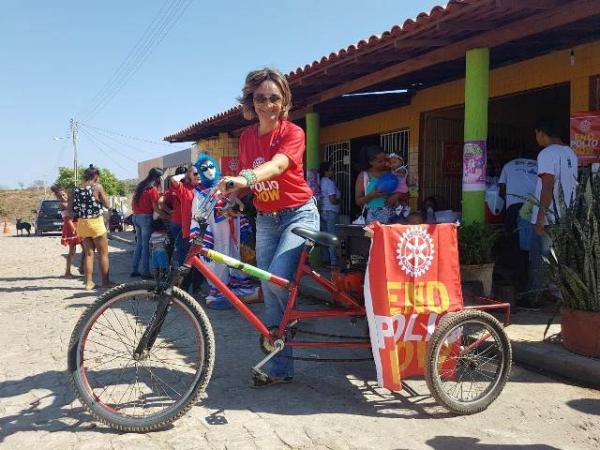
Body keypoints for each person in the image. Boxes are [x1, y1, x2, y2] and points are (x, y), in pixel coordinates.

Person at [216, 67, 319, 387]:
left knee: (275, 281)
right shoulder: (247, 137)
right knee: (272, 291)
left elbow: (275, 166)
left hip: (298, 215)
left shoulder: (293, 133)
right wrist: (235, 197)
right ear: (252, 101)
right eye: (260, 98)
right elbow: (250, 178)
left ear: (284, 100)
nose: (267, 104)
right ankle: (280, 367)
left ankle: (294, 316)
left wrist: (244, 178)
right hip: (266, 220)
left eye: (274, 98)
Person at [190, 154, 256, 309]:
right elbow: (198, 216)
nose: (209, 171)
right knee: (217, 263)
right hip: (215, 234)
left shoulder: (225, 186)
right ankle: (219, 294)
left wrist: (235, 207)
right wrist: (204, 235)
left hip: (232, 232)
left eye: (211, 166)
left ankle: (238, 291)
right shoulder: (199, 194)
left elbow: (238, 206)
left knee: (235, 258)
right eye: (204, 168)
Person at [527, 117, 578, 307]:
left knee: (542, 259)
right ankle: (560, 296)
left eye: (536, 134)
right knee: (560, 258)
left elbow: (547, 185)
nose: (536, 138)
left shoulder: (547, 153)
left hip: (549, 217)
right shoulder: (570, 153)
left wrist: (540, 217)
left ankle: (539, 297)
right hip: (566, 217)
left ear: (542, 132)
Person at [498, 154, 538, 296]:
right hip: (534, 207)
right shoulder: (538, 163)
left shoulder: (508, 164)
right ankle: (529, 285)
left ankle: (517, 284)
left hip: (514, 208)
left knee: (513, 246)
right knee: (532, 247)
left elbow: (502, 190)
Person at [68, 164, 112, 290]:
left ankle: (89, 283)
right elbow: (107, 204)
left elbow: (70, 209)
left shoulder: (75, 189)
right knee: (103, 254)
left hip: (82, 223)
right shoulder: (97, 187)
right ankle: (106, 282)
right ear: (96, 176)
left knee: (88, 254)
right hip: (96, 222)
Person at [131, 167, 163, 279]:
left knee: (139, 244)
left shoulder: (141, 186)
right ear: (158, 177)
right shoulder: (152, 189)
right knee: (146, 247)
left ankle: (134, 269)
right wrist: (168, 214)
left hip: (136, 217)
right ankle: (145, 272)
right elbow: (157, 208)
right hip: (145, 218)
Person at [355, 146, 395, 225]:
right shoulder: (364, 176)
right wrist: (372, 195)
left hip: (390, 214)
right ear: (371, 162)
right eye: (380, 161)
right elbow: (358, 201)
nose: (383, 163)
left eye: (385, 160)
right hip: (372, 217)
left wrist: (394, 196)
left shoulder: (389, 173)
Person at [51, 185, 82, 277]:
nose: (63, 197)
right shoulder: (63, 205)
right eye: (60, 196)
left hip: (77, 225)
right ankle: (68, 272)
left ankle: (81, 267)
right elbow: (68, 219)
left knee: (84, 248)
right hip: (71, 227)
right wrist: (74, 229)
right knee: (72, 251)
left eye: (64, 195)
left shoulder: (70, 202)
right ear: (57, 197)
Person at [319, 161, 340, 267]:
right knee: (332, 236)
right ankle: (334, 261)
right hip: (331, 211)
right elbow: (332, 199)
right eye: (331, 169)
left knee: (325, 236)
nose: (333, 172)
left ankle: (325, 259)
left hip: (322, 210)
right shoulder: (329, 182)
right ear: (326, 171)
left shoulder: (321, 181)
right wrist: (340, 200)